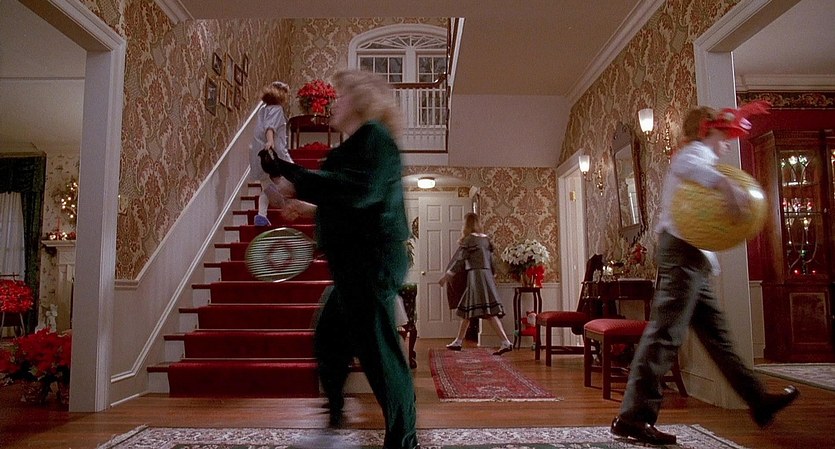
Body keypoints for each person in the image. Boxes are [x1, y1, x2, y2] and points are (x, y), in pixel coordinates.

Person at [610, 102, 799, 446]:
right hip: (682, 253)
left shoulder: (704, 158)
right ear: (708, 130)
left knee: (717, 336)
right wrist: (727, 187)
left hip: (692, 257)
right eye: (724, 136)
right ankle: (632, 418)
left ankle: (758, 400)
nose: (727, 143)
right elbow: (688, 165)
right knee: (665, 333)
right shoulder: (693, 153)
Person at [259, 70, 419, 449]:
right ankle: (333, 422)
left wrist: (292, 173)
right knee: (329, 337)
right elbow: (352, 201)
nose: (333, 102)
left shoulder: (376, 137)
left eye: (341, 95)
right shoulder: (359, 145)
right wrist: (309, 207)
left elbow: (359, 192)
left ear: (360, 100)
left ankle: (404, 441)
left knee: (380, 356)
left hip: (372, 263)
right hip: (353, 264)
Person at [439, 212, 514, 356]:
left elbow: (460, 260)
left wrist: (448, 275)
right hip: (486, 275)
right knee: (470, 310)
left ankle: (505, 341)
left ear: (466, 224)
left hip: (476, 276)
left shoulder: (469, 240)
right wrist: (493, 274)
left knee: (485, 311)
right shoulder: (486, 239)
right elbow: (491, 260)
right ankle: (459, 341)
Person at [249, 81, 292, 226]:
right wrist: (270, 141)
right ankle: (288, 204)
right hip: (274, 154)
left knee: (266, 187)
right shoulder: (277, 109)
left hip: (260, 154)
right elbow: (270, 127)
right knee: (292, 176)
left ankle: (261, 215)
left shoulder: (263, 109)